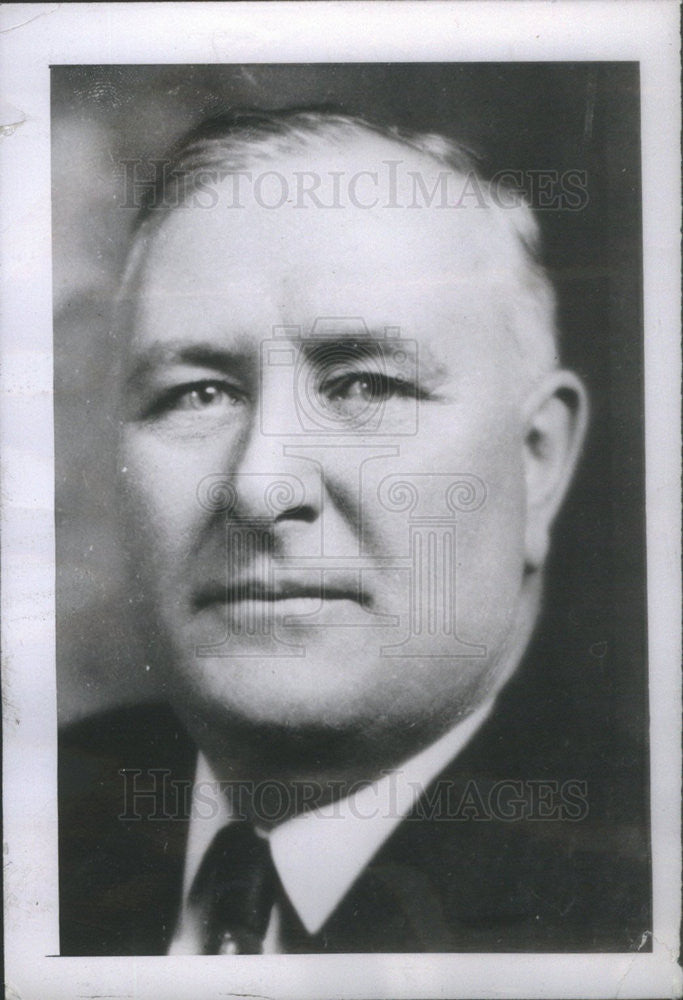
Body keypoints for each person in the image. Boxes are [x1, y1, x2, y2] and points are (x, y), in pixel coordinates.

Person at [59, 109, 648, 955]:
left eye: (365, 386)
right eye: (199, 392)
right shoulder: (44, 814)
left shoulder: (633, 887)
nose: (260, 487)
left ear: (537, 460)